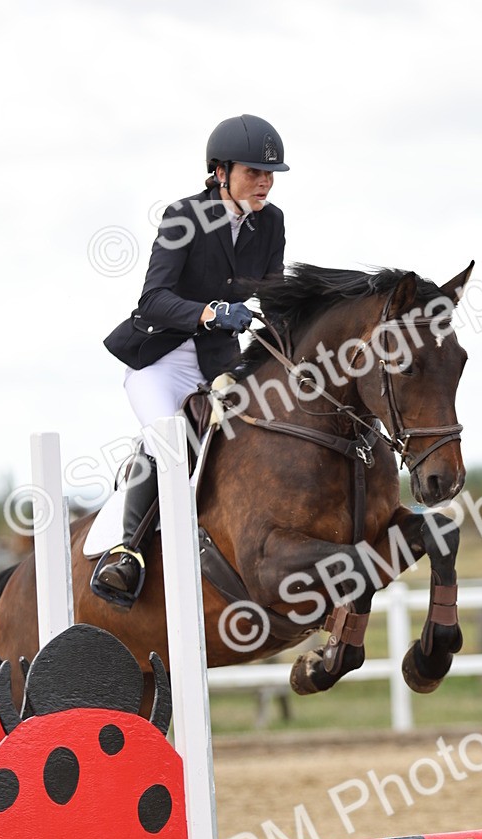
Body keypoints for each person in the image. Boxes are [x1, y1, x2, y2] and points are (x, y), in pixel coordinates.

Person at [92, 113, 288, 607]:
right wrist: (212, 311)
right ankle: (127, 554)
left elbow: (273, 296)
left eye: (269, 174)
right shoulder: (183, 216)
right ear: (220, 172)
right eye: (253, 172)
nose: (264, 182)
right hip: (159, 361)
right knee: (169, 439)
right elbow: (153, 299)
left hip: (218, 365)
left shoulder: (272, 223)